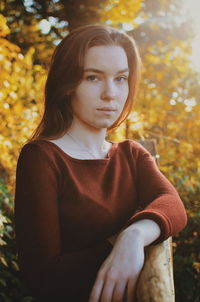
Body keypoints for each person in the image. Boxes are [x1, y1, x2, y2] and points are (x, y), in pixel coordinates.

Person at [14, 24, 187, 302]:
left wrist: (133, 236)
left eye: (121, 79)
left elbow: (173, 205)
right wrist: (113, 245)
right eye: (93, 78)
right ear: (67, 84)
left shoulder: (132, 154)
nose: (111, 94)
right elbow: (43, 279)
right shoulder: (42, 158)